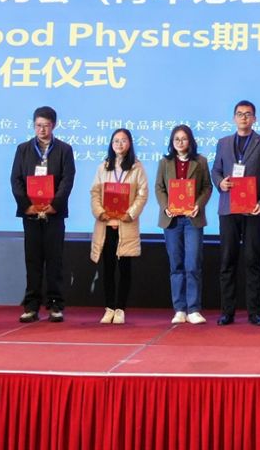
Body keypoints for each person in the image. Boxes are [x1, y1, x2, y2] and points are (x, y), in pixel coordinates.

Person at [212, 100, 260, 326]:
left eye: (248, 114)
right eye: (240, 114)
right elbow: (215, 170)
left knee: (253, 260)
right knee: (227, 260)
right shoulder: (223, 143)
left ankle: (254, 312)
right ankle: (227, 312)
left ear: (254, 118)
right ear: (234, 118)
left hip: (253, 210)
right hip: (228, 209)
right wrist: (220, 183)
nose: (244, 118)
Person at [11, 105, 76, 323]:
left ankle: (55, 304)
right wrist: (26, 205)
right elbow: (16, 179)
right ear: (33, 125)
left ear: (54, 125)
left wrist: (55, 204)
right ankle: (31, 306)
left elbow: (67, 179)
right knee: (33, 261)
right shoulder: (23, 149)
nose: (42, 130)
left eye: (46, 125)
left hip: (54, 214)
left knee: (54, 261)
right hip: (31, 214)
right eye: (38, 125)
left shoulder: (64, 150)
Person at [154, 124, 213, 325]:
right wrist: (166, 207)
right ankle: (179, 308)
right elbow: (159, 187)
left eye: (184, 139)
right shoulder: (165, 162)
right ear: (172, 142)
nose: (180, 142)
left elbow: (207, 187)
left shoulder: (200, 161)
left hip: (192, 218)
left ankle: (194, 309)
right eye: (176, 139)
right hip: (171, 219)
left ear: (191, 141)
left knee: (193, 263)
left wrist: (198, 205)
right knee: (176, 264)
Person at [90, 128, 148, 325]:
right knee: (107, 268)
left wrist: (130, 213)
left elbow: (142, 194)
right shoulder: (103, 167)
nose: (119, 144)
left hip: (126, 224)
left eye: (123, 140)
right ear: (111, 144)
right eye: (116, 140)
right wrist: (100, 212)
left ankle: (120, 308)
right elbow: (95, 192)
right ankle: (109, 308)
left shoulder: (137, 167)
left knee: (124, 269)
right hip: (106, 224)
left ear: (129, 143)